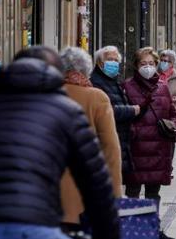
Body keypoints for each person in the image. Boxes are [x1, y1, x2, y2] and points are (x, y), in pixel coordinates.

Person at [0, 46, 119, 239]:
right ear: (57, 74)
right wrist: (108, 231)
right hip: (35, 224)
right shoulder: (66, 109)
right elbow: (94, 180)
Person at [59, 47, 123, 231]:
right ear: (86, 70)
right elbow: (110, 148)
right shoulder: (96, 97)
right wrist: (115, 193)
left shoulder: (46, 94)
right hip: (85, 192)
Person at [123, 47, 176, 239]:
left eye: (151, 64)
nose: (148, 67)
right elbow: (123, 116)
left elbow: (172, 112)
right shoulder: (127, 86)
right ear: (136, 65)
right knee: (133, 192)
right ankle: (131, 230)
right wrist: (134, 132)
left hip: (158, 148)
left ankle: (151, 229)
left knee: (153, 193)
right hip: (136, 148)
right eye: (143, 63)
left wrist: (173, 127)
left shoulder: (162, 86)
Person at [91, 46, 140, 176]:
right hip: (105, 142)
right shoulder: (96, 82)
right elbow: (106, 111)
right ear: (100, 63)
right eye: (109, 59)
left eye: (115, 60)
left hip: (119, 139)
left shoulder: (114, 81)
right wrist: (131, 110)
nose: (113, 63)